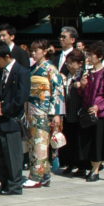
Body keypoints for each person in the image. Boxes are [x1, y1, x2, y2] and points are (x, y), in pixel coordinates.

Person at [0, 41, 30, 196]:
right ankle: (4, 181)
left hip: (12, 119)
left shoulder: (22, 72)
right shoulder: (0, 72)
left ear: (6, 56)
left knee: (12, 154)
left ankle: (14, 185)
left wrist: (4, 109)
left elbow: (21, 97)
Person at [22, 40, 65, 188]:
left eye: (36, 50)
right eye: (32, 51)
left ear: (45, 51)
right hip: (32, 110)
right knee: (34, 143)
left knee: (40, 143)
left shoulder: (50, 69)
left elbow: (58, 91)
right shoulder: (33, 68)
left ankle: (36, 176)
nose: (33, 53)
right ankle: (45, 175)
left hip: (44, 111)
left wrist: (57, 114)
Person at [78, 42, 104, 182]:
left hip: (100, 114)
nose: (89, 57)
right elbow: (84, 94)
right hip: (87, 112)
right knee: (89, 141)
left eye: (91, 55)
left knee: (98, 142)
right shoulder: (88, 73)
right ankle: (92, 167)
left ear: (99, 56)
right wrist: (82, 86)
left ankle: (95, 169)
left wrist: (99, 106)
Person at [57, 50, 88, 177]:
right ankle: (69, 163)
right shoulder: (67, 75)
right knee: (68, 139)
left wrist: (81, 86)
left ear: (80, 64)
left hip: (79, 113)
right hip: (68, 112)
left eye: (71, 63)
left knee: (79, 141)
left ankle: (81, 166)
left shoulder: (84, 76)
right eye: (67, 63)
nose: (69, 65)